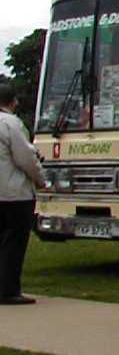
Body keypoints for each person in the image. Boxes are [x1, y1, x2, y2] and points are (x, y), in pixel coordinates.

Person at [0, 84, 45, 305]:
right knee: (14, 243)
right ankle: (8, 290)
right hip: (14, 193)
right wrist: (40, 179)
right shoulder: (11, 124)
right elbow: (25, 158)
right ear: (13, 101)